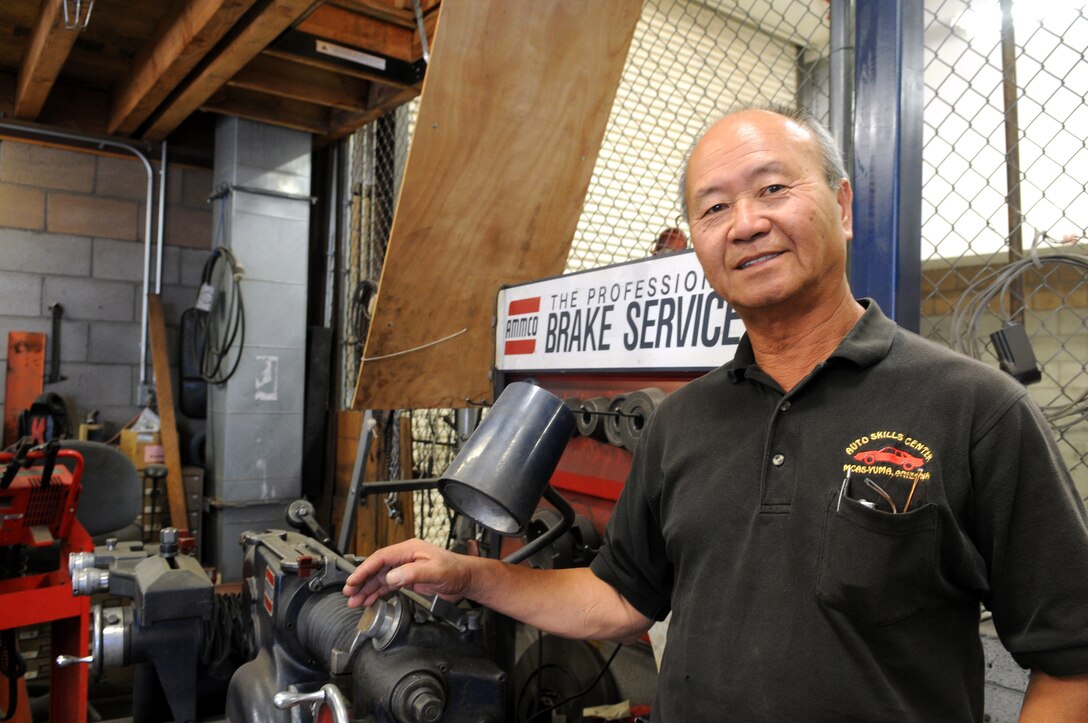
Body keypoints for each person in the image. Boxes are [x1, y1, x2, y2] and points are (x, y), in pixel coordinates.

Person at [344, 105, 1088, 720]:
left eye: (772, 189)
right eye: (715, 207)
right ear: (697, 243)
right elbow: (619, 598)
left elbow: (1071, 661)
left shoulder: (975, 411)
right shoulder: (682, 423)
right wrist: (470, 574)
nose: (745, 223)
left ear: (842, 205)